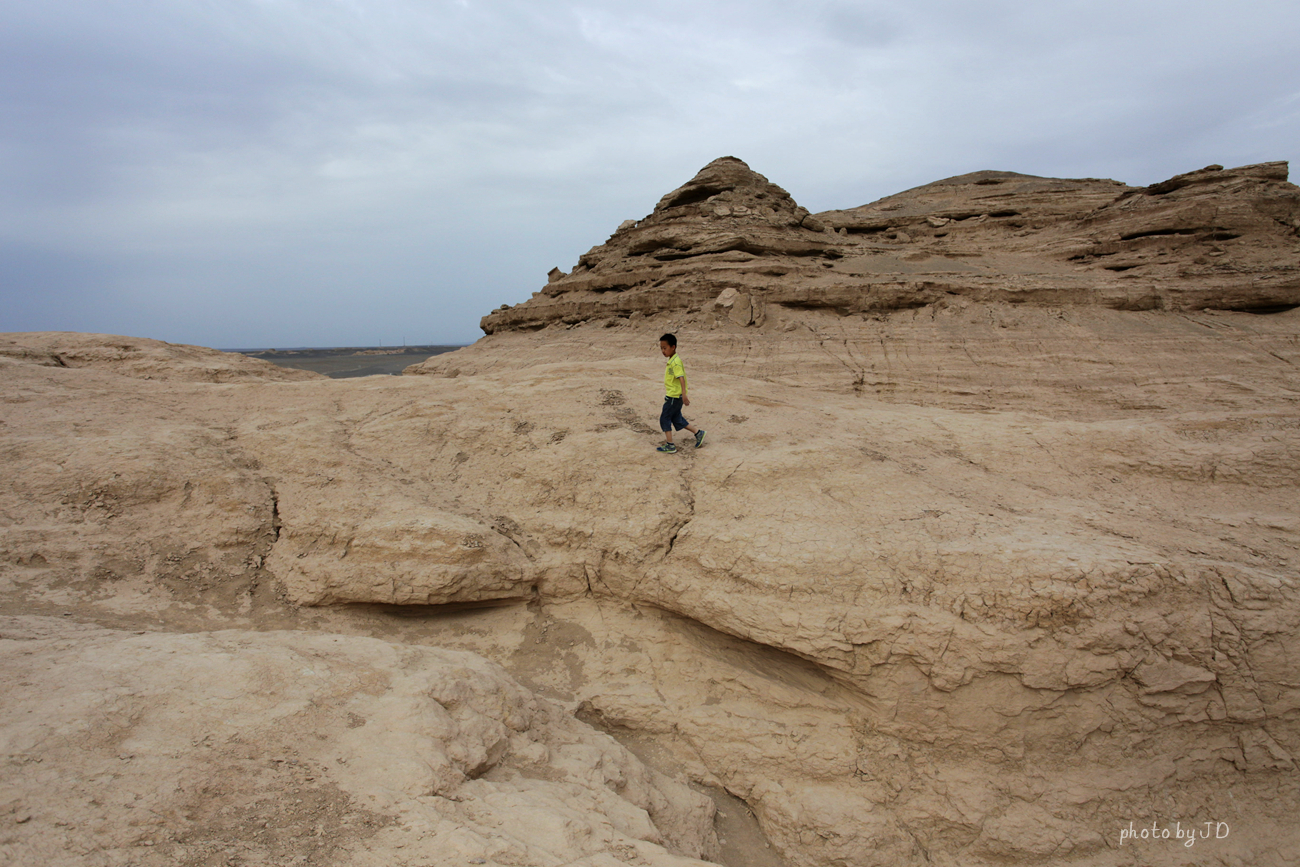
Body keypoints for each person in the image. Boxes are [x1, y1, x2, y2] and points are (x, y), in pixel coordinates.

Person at [656, 333, 705, 453]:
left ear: (673, 347)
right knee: (676, 418)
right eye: (661, 348)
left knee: (665, 418)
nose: (663, 351)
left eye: (665, 348)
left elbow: (681, 378)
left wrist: (684, 395)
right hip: (675, 396)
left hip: (674, 397)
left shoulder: (675, 362)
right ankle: (698, 433)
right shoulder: (673, 360)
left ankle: (670, 445)